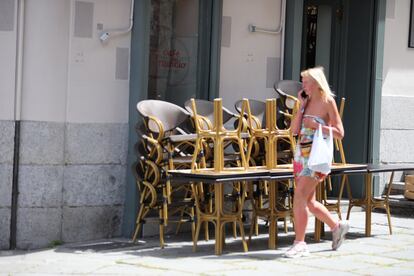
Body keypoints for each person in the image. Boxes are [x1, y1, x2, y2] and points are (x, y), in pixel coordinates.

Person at [284, 66, 349, 258]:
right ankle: (336, 226)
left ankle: (300, 244)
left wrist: (319, 126)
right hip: (301, 156)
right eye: (303, 81)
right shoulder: (306, 101)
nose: (303, 85)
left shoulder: (328, 101)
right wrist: (301, 107)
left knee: (299, 196)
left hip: (317, 158)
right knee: (309, 202)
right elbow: (294, 131)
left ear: (316, 83)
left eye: (306, 82)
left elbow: (340, 132)